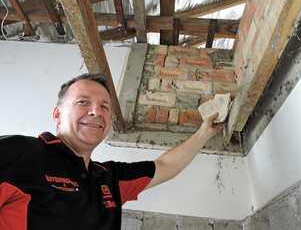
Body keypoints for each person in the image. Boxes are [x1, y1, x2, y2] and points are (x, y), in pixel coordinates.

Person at [0, 73, 222, 230]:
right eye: (83, 102)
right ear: (57, 115)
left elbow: (164, 167)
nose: (96, 111)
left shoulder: (108, 178)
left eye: (105, 106)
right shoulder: (20, 152)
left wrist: (205, 132)